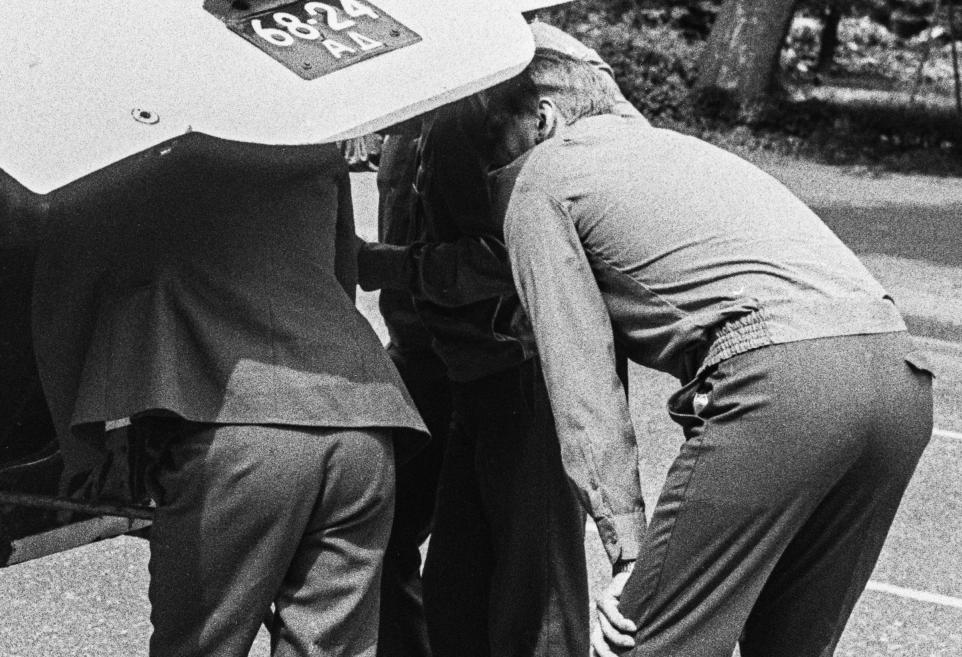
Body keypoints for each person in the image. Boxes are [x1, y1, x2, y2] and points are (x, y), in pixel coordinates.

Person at [476, 50, 934, 657]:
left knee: (647, 641)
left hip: (787, 382)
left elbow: (581, 383)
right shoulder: (679, 150)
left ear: (543, 118)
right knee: (790, 646)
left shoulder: (543, 179)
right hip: (898, 371)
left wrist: (630, 554)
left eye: (496, 137)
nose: (495, 160)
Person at [31, 137, 428, 657]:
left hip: (234, 432)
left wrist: (81, 447)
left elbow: (59, 309)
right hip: (360, 421)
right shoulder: (307, 138)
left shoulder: (119, 148)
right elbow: (341, 274)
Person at [357, 22, 648, 657]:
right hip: (432, 359)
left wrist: (398, 267)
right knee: (392, 551)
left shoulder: (527, 73)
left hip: (517, 361)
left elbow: (535, 244)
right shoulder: (403, 78)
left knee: (532, 593)